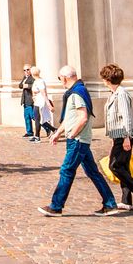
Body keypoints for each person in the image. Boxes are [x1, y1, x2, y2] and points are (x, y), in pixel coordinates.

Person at [41, 65, 115, 216]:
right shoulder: (74, 92)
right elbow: (69, 118)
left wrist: (72, 135)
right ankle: (110, 203)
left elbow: (83, 118)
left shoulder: (76, 93)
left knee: (67, 170)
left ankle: (56, 206)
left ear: (65, 78)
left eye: (59, 78)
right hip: (79, 139)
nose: (60, 81)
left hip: (78, 140)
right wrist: (58, 133)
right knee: (93, 172)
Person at [99, 64, 133, 210]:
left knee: (114, 165)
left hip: (124, 135)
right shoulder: (115, 93)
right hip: (120, 135)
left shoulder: (121, 94)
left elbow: (126, 116)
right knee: (123, 166)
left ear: (107, 79)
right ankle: (126, 200)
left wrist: (126, 137)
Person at [17, 65, 40, 141]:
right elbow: (20, 85)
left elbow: (32, 86)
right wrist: (24, 85)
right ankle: (29, 132)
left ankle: (48, 128)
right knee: (27, 117)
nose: (26, 71)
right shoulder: (25, 78)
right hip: (25, 100)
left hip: (31, 100)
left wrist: (26, 85)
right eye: (24, 70)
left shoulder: (33, 77)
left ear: (31, 70)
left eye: (27, 69)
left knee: (34, 117)